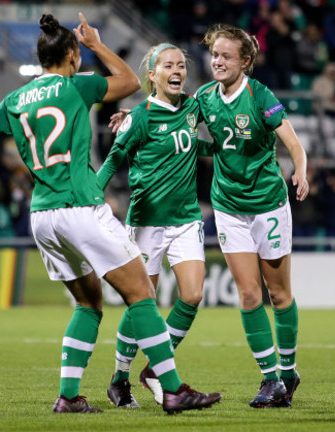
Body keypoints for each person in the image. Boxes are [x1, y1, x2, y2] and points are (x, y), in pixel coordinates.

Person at [0, 13, 221, 415]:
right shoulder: (75, 86)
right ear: (72, 55)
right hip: (80, 205)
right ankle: (171, 388)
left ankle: (68, 396)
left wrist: (12, 121)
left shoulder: (15, 100)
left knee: (89, 304)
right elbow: (131, 82)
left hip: (42, 215)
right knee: (141, 293)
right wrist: (98, 45)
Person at [196, 23, 308, 408]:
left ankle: (289, 369)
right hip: (229, 208)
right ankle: (270, 379)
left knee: (278, 293)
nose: (218, 61)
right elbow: (170, 118)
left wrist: (301, 171)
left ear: (245, 61)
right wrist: (135, 114)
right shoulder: (204, 97)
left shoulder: (260, 96)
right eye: (214, 55)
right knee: (248, 294)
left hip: (268, 206)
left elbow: (293, 144)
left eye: (226, 56)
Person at [97, 43, 215, 408]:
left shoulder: (193, 108)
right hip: (146, 224)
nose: (177, 70)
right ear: (152, 74)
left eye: (181, 65)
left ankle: (152, 369)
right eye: (168, 65)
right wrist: (91, 197)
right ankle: (119, 378)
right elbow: (113, 158)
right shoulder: (140, 118)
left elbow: (201, 143)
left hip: (185, 220)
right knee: (142, 302)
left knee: (193, 295)